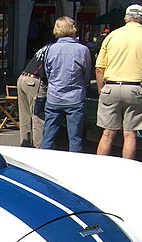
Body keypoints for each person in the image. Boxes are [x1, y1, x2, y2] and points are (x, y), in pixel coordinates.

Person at [94, 4, 142, 160]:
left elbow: (99, 68)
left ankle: (100, 168)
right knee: (130, 134)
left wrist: (101, 89)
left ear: (126, 18)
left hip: (111, 86)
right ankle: (127, 170)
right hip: (136, 89)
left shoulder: (111, 36)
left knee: (108, 132)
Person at [40, 17, 91, 153]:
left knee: (48, 136)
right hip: (75, 97)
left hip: (54, 96)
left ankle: (43, 163)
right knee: (75, 139)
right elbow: (86, 74)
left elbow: (48, 72)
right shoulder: (82, 50)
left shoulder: (50, 49)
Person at [16, 42, 50, 148]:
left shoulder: (45, 47)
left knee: (24, 116)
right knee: (38, 117)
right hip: (35, 81)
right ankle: (38, 149)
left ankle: (25, 145)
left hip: (23, 78)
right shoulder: (55, 50)